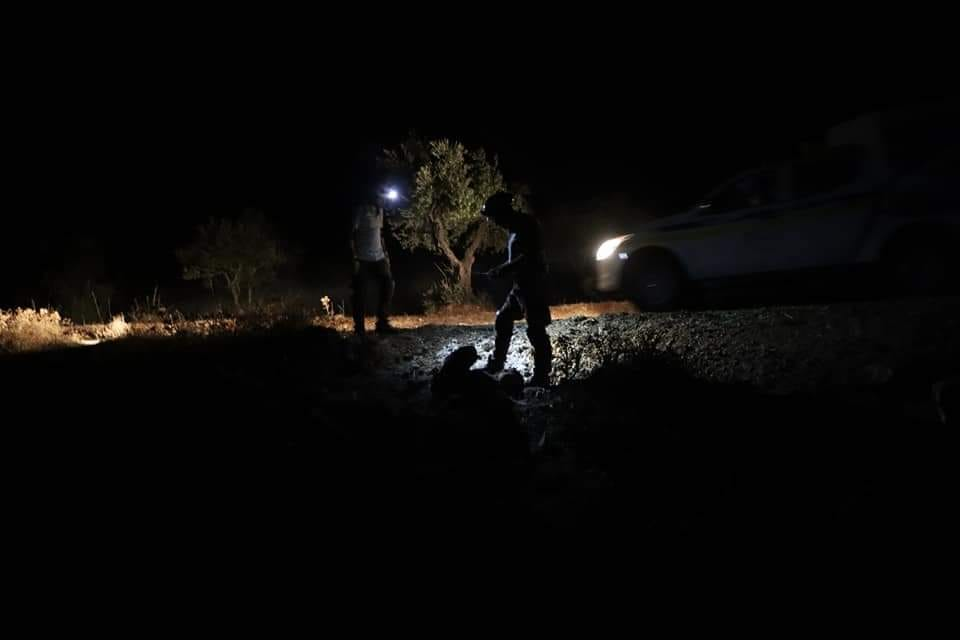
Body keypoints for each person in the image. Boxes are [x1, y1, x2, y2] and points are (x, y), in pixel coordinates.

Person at [480, 191, 552, 387]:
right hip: (521, 286)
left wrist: (504, 269)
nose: (494, 222)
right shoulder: (514, 228)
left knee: (536, 329)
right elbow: (518, 258)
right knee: (503, 319)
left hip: (533, 285)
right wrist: (501, 269)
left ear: (503, 211)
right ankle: (496, 364)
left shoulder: (527, 225)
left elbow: (530, 256)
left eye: (494, 217)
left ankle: (542, 376)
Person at [350, 190, 397, 336]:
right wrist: (354, 258)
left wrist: (386, 254)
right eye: (382, 198)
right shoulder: (361, 211)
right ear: (375, 197)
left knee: (388, 285)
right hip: (362, 258)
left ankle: (382, 323)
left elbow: (380, 234)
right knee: (360, 293)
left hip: (379, 257)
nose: (385, 201)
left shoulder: (380, 211)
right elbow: (351, 234)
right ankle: (359, 328)